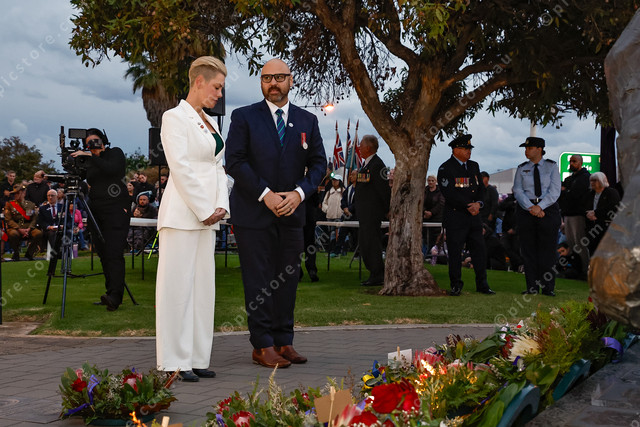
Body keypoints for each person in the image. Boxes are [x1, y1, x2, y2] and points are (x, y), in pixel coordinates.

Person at [226, 58, 327, 369]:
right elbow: (235, 161)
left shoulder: (308, 120)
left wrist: (299, 194)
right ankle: (263, 345)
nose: (273, 83)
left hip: (292, 215)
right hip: (253, 214)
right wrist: (265, 195)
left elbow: (319, 164)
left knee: (287, 280)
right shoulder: (243, 117)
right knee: (259, 280)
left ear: (291, 81)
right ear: (261, 82)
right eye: (267, 77)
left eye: (280, 77)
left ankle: (284, 341)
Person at [155, 56, 229, 382]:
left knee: (202, 289)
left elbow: (218, 167)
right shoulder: (174, 117)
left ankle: (197, 357)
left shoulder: (211, 123)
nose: (219, 94)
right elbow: (181, 167)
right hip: (181, 215)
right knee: (176, 289)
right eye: (217, 87)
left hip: (208, 217)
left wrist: (221, 206)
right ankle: (174, 360)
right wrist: (204, 209)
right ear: (199, 82)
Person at [70, 128, 130, 310]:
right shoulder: (89, 161)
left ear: (103, 140)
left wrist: (91, 156)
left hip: (115, 209)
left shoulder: (114, 153)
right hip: (96, 210)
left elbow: (113, 170)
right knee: (103, 253)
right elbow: (79, 176)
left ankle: (115, 297)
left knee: (114, 252)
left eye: (95, 140)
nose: (92, 145)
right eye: (88, 143)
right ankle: (110, 292)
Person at [437, 134, 495, 296]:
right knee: (455, 253)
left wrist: (479, 204)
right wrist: (468, 205)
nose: (469, 151)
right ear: (455, 150)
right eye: (465, 148)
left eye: (470, 148)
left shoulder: (474, 166)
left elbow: (481, 189)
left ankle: (482, 284)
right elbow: (449, 193)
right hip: (456, 216)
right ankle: (456, 285)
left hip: (474, 217)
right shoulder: (446, 168)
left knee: (479, 251)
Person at [513, 136, 561, 296]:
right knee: (528, 250)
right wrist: (531, 207)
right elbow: (518, 190)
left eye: (529, 148)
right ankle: (532, 287)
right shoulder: (522, 168)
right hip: (526, 210)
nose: (526, 151)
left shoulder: (551, 166)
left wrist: (540, 207)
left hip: (548, 209)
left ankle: (548, 287)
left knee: (548, 251)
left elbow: (555, 191)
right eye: (525, 148)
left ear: (539, 149)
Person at [354, 135, 391, 287]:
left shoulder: (377, 165)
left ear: (368, 148)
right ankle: (374, 272)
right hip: (364, 212)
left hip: (372, 212)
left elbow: (383, 190)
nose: (359, 148)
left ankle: (377, 274)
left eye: (361, 146)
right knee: (365, 243)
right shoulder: (367, 164)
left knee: (371, 243)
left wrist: (386, 209)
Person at [559, 154, 591, 277]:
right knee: (572, 244)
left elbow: (576, 195)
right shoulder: (570, 179)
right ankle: (577, 269)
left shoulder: (585, 177)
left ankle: (585, 270)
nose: (571, 163)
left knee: (580, 243)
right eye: (571, 161)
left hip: (578, 215)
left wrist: (566, 192)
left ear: (580, 163)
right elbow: (563, 195)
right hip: (568, 214)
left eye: (574, 161)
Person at [585, 172, 621, 255]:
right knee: (592, 250)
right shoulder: (590, 194)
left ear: (602, 181)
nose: (592, 183)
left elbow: (614, 208)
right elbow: (584, 207)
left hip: (606, 227)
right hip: (592, 227)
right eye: (591, 180)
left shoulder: (611, 192)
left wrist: (595, 213)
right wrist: (588, 214)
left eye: (595, 180)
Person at [4, 184, 42, 261]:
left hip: (28, 227)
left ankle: (29, 254)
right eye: (14, 193)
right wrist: (19, 229)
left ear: (23, 193)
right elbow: (8, 219)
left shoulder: (31, 204)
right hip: (15, 228)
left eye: (18, 193)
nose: (15, 195)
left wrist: (29, 228)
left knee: (38, 233)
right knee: (13, 234)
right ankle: (16, 253)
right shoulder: (9, 204)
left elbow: (34, 219)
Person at [321, 174, 345, 256]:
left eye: (336, 180)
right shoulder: (329, 192)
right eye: (333, 180)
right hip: (330, 216)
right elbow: (324, 203)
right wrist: (327, 210)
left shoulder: (343, 192)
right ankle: (332, 249)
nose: (334, 182)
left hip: (339, 216)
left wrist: (342, 211)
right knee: (331, 233)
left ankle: (341, 249)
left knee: (340, 233)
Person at [422, 174, 444, 257]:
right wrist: (425, 212)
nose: (430, 182)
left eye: (432, 181)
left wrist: (431, 213)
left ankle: (433, 254)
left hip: (436, 218)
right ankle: (425, 254)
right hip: (425, 217)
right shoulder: (424, 190)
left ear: (436, 181)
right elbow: (421, 201)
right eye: (429, 181)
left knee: (435, 237)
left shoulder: (440, 191)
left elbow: (441, 203)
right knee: (424, 237)